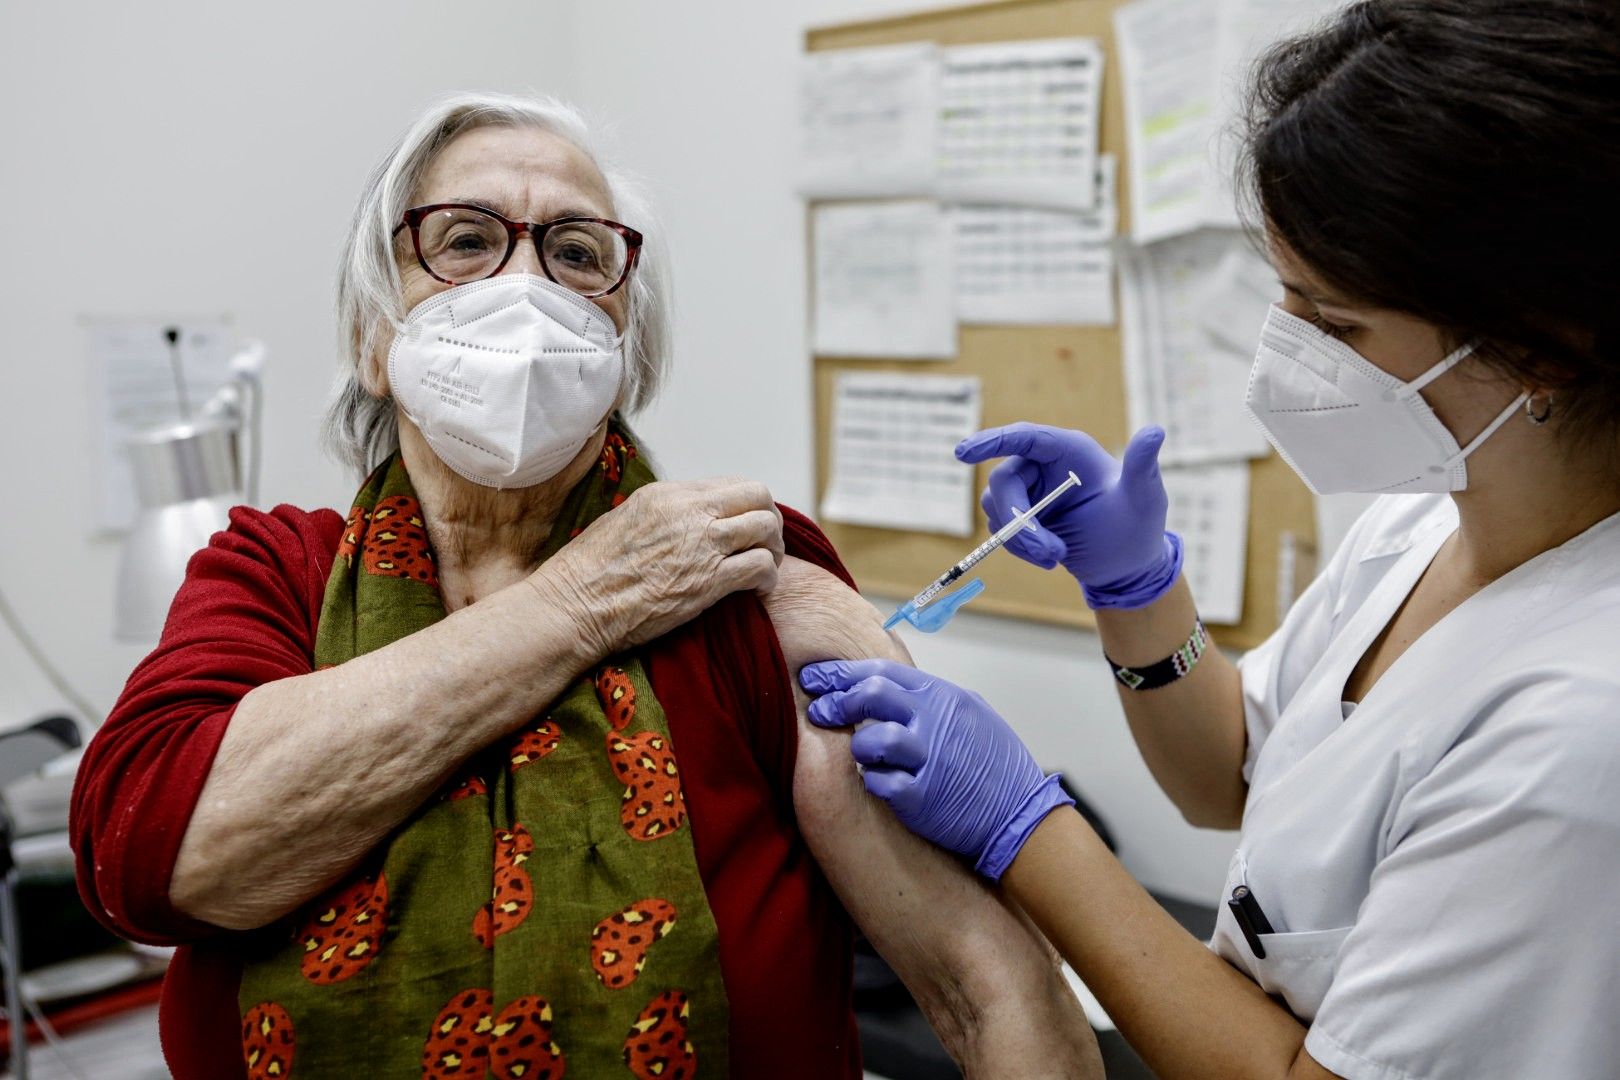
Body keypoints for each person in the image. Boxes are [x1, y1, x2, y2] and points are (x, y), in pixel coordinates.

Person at [70, 93, 1099, 1079]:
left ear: (624, 348)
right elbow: (155, 860)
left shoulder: (736, 574)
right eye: (466, 241)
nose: (526, 287)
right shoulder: (274, 575)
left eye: (576, 253)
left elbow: (985, 990)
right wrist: (585, 597)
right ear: (374, 342)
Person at [801, 3, 1620, 1078]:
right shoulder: (1427, 518)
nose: (1284, 354)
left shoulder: (1581, 725)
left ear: (1546, 344)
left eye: (1332, 325)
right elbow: (1231, 773)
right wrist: (1136, 590)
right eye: (1280, 297)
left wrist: (1027, 827)